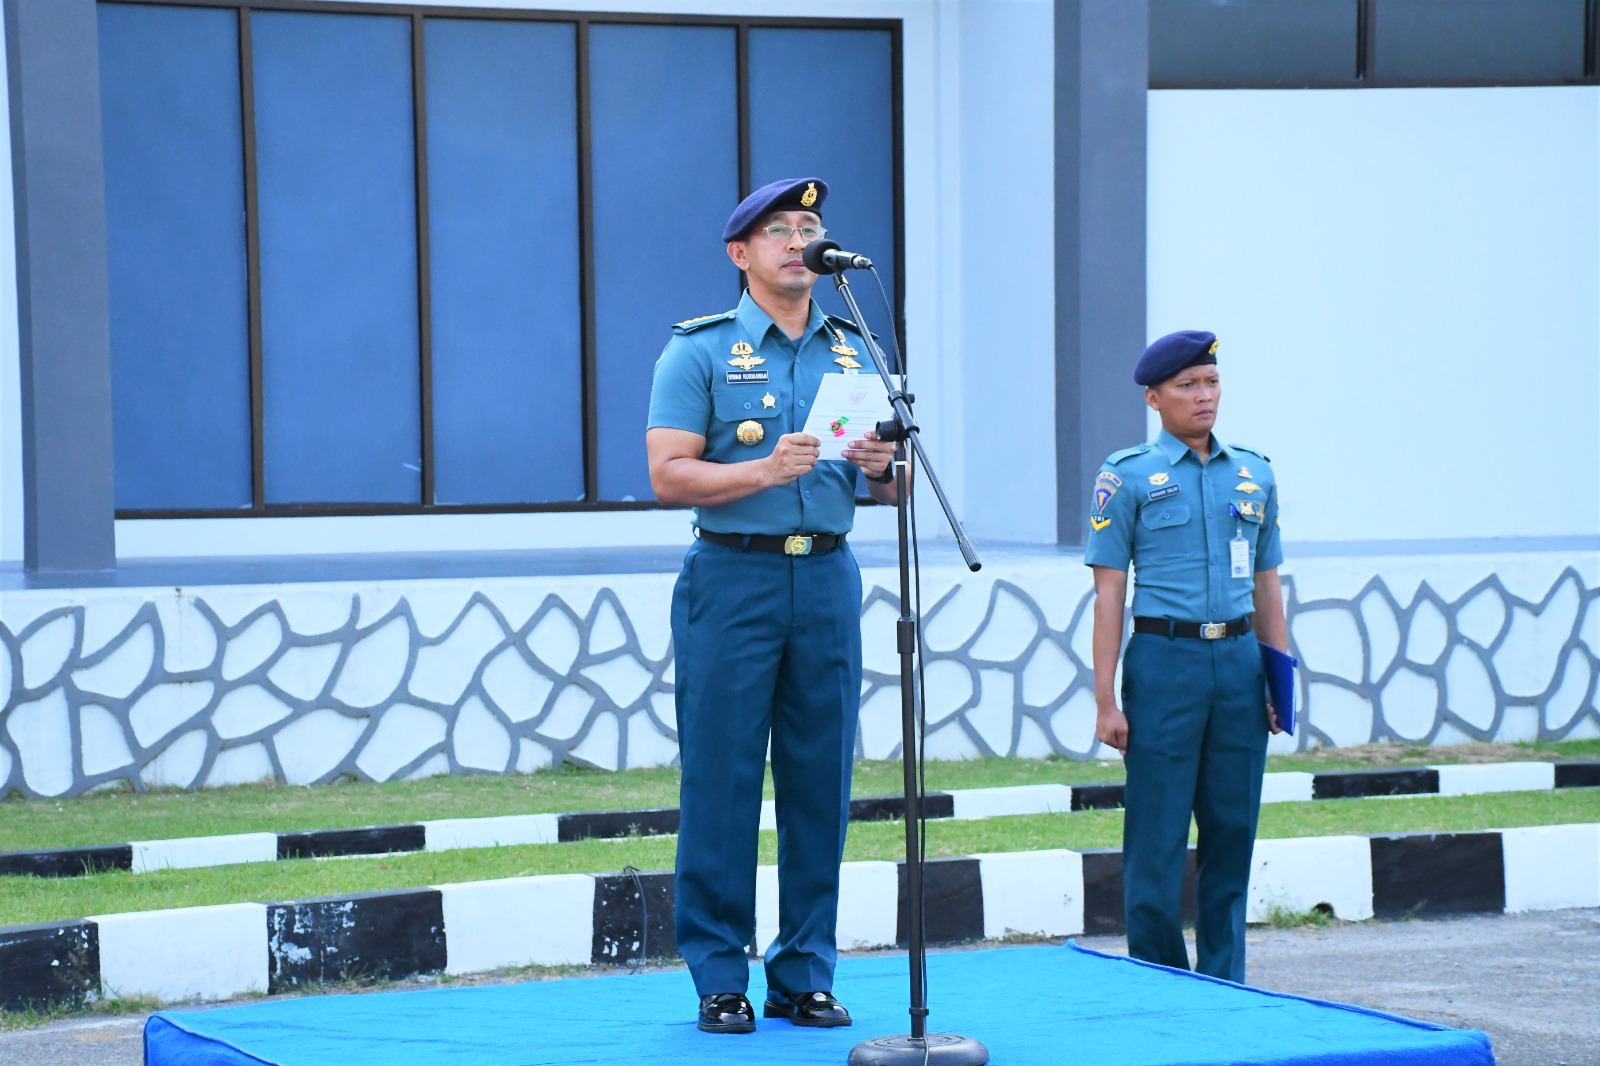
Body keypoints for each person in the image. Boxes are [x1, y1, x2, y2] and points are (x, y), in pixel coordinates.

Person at [645, 177, 899, 1034]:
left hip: (826, 578)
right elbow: (667, 474)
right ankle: (720, 975)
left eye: (812, 226)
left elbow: (895, 485)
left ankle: (804, 973)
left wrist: (878, 471)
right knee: (721, 780)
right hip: (734, 578)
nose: (801, 240)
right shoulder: (700, 350)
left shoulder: (854, 346)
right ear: (740, 255)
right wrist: (763, 471)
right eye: (780, 230)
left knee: (819, 779)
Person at [1084, 329, 1288, 984]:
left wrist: (1278, 681)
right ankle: (1161, 980)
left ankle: (1226, 981)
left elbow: (1266, 585)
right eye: (1188, 386)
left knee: (1232, 833)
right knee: (1158, 838)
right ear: (1154, 398)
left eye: (1212, 383)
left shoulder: (1255, 471)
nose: (1204, 397)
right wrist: (1106, 699)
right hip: (1164, 664)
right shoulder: (1128, 475)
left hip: (1236, 666)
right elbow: (1109, 594)